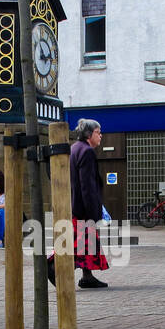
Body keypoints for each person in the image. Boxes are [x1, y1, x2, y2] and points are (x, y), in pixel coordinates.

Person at [49, 119, 110, 288]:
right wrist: (93, 212)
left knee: (84, 244)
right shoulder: (87, 152)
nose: (101, 136)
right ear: (89, 134)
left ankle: (87, 276)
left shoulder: (74, 148)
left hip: (73, 205)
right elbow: (87, 186)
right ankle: (53, 266)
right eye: (98, 132)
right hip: (82, 209)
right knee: (78, 245)